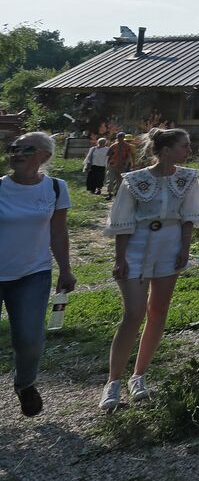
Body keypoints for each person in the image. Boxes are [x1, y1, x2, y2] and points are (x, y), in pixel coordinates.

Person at [100, 128, 199, 411]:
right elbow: (122, 220)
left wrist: (184, 249)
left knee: (158, 312)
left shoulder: (188, 178)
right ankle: (113, 382)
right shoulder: (135, 180)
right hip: (137, 245)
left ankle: (140, 376)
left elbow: (189, 218)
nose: (188, 150)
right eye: (184, 145)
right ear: (166, 149)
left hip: (169, 245)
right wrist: (120, 257)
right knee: (133, 314)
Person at [0, 132, 76, 417]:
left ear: (44, 155)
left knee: (30, 339)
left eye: (25, 149)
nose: (16, 153)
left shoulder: (56, 188)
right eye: (12, 149)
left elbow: (58, 232)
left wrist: (66, 269)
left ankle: (25, 384)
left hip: (33, 273)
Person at [104, 131, 134, 199]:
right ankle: (109, 193)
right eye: (118, 137)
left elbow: (129, 156)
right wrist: (107, 164)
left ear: (123, 138)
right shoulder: (114, 146)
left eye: (121, 137)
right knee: (110, 180)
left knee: (119, 180)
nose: (119, 138)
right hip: (112, 165)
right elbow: (108, 155)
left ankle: (117, 193)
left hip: (121, 166)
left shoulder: (127, 146)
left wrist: (126, 164)